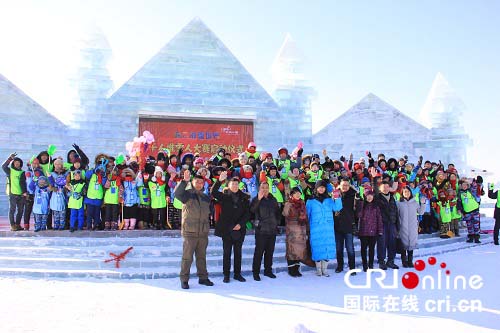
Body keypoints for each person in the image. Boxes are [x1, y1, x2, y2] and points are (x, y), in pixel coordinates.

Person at [174, 169, 213, 289]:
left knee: (202, 257)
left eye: (201, 182)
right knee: (187, 258)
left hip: (203, 232)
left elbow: (210, 211)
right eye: (197, 182)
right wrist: (184, 181)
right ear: (193, 182)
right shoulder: (187, 194)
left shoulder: (206, 197)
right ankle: (184, 279)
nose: (199, 184)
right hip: (189, 232)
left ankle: (203, 278)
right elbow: (177, 194)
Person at [212, 171, 250, 283]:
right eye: (232, 184)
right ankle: (226, 275)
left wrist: (241, 224)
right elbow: (213, 192)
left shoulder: (244, 197)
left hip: (239, 229)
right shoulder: (224, 196)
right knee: (227, 253)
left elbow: (247, 214)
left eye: (237, 184)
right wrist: (219, 181)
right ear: (228, 186)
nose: (235, 186)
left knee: (238, 253)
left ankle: (237, 274)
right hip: (226, 229)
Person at [306, 180, 342, 277]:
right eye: (319, 187)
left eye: (323, 187)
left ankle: (325, 269)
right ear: (316, 188)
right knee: (317, 247)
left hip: (328, 228)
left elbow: (337, 208)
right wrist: (307, 227)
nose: (321, 189)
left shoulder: (329, 200)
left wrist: (337, 196)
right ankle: (318, 269)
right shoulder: (310, 201)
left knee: (327, 247)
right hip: (316, 228)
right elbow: (307, 215)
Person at [250, 182, 281, 281]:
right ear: (259, 189)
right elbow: (252, 210)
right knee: (259, 252)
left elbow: (278, 212)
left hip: (272, 229)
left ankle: (268, 270)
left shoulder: (273, 199)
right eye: (262, 187)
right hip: (261, 230)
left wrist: (277, 223)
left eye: (266, 188)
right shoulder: (256, 199)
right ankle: (256, 272)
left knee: (269, 252)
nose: (264, 189)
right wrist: (258, 200)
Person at [396, 186, 426, 268]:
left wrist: (423, 203)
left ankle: (410, 261)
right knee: (403, 245)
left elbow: (421, 212)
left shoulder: (415, 202)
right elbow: (396, 215)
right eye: (405, 192)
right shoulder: (399, 203)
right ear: (402, 193)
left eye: (408, 191)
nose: (406, 193)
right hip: (403, 227)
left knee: (411, 244)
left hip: (412, 226)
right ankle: (404, 261)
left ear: (410, 193)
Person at [282, 187, 308, 277]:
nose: (298, 195)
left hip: (301, 230)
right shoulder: (289, 203)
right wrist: (288, 205)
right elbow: (285, 214)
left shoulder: (302, 203)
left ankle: (297, 269)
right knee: (291, 251)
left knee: (299, 251)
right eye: (296, 193)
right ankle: (291, 270)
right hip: (292, 229)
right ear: (292, 194)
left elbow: (306, 216)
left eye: (299, 193)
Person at [334, 179, 358, 274]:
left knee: (350, 249)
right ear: (340, 185)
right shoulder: (335, 194)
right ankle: (340, 266)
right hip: (338, 225)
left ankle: (352, 268)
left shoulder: (353, 195)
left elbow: (357, 209)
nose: (345, 187)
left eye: (347, 185)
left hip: (349, 225)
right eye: (343, 185)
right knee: (339, 249)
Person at [375, 180, 400, 270]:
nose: (385, 188)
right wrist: (375, 179)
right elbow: (374, 188)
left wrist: (397, 225)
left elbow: (396, 212)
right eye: (383, 187)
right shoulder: (378, 197)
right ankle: (381, 261)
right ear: (380, 188)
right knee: (382, 243)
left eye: (387, 186)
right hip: (382, 224)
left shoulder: (392, 198)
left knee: (392, 243)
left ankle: (391, 261)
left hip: (392, 224)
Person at [356, 188, 383, 271]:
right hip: (363, 231)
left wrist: (380, 230)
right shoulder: (362, 205)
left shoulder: (376, 207)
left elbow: (379, 219)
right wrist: (359, 204)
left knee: (371, 249)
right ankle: (364, 264)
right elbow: (358, 215)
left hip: (373, 231)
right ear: (365, 196)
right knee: (363, 249)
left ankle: (370, 264)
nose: (369, 197)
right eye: (368, 196)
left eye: (371, 195)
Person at [2, 153, 27, 231]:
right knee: (12, 210)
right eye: (15, 162)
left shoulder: (22, 172)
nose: (17, 164)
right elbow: (3, 166)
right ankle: (12, 225)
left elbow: (23, 183)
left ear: (20, 164)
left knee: (20, 211)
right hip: (12, 194)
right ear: (13, 163)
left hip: (21, 194)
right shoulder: (10, 171)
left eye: (18, 163)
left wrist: (25, 192)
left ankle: (17, 224)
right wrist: (10, 158)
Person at [457, 179, 481, 243]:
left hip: (475, 209)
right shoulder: (459, 193)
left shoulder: (471, 191)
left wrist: (472, 182)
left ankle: (477, 238)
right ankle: (471, 237)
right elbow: (459, 202)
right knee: (469, 225)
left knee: (476, 224)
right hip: (467, 211)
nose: (464, 186)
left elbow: (475, 187)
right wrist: (459, 209)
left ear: (467, 186)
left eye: (465, 185)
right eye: (463, 185)